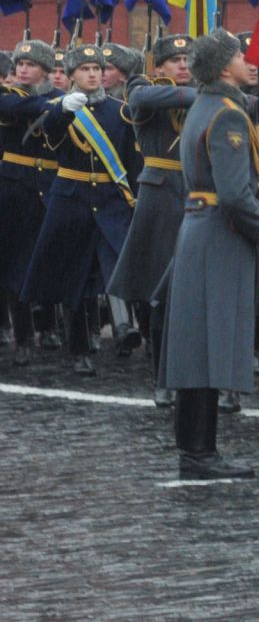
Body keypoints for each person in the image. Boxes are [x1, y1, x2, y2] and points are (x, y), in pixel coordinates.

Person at [160, 30, 259, 479]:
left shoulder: (207, 105)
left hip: (201, 228)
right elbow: (235, 197)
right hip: (220, 233)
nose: (250, 59)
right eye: (241, 55)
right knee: (204, 346)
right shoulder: (228, 116)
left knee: (195, 346)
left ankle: (197, 452)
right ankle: (199, 456)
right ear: (223, 67)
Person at [22, 43, 140, 376]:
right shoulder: (60, 108)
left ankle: (122, 328)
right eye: (84, 70)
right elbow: (50, 135)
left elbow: (131, 161)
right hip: (71, 198)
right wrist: (61, 111)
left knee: (117, 262)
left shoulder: (121, 110)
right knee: (72, 274)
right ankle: (79, 349)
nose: (92, 74)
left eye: (97, 69)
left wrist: (135, 195)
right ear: (71, 75)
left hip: (110, 199)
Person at [104, 34, 196, 401]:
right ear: (157, 66)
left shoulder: (205, 91)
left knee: (196, 294)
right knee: (162, 295)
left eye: (189, 59)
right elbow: (144, 99)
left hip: (198, 192)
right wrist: (213, 94)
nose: (184, 65)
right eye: (175, 60)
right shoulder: (143, 87)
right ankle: (163, 377)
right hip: (159, 199)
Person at [1, 40, 61, 363]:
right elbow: (17, 109)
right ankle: (23, 336)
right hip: (14, 189)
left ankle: (49, 325)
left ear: (46, 70)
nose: (23, 69)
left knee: (48, 258)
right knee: (15, 264)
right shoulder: (10, 98)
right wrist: (57, 107)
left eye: (31, 64)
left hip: (50, 186)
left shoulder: (57, 98)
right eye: (19, 63)